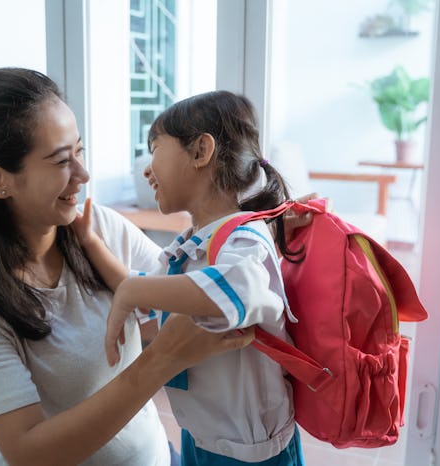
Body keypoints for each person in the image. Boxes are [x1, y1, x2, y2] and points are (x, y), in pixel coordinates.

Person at [0, 68, 256, 466]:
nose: (83, 175)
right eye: (62, 160)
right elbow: (27, 451)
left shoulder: (95, 225)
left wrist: (264, 232)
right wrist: (161, 360)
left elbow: (187, 307)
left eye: (79, 151)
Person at [71, 91, 306, 466]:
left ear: (200, 151)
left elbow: (234, 292)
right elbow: (150, 291)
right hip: (202, 436)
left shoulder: (247, 239)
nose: (147, 169)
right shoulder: (192, 245)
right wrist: (91, 243)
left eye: (155, 149)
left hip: (250, 453)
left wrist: (134, 290)